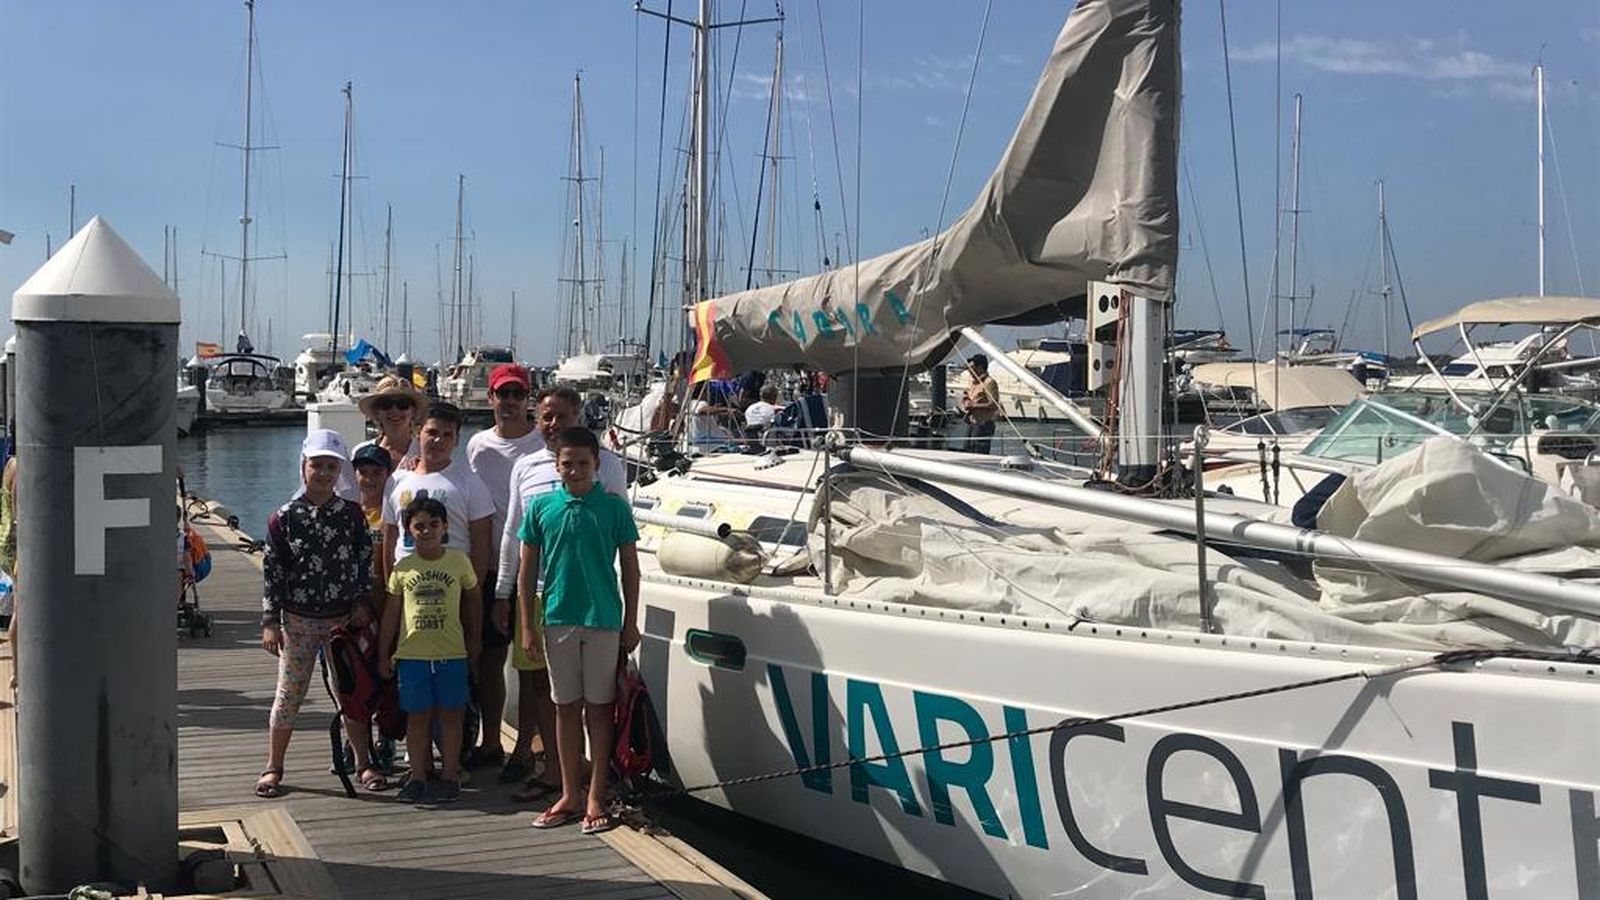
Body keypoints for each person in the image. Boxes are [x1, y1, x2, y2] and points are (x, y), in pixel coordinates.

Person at [496, 384, 627, 801]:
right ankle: (555, 772)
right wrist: (503, 592)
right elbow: (514, 538)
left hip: (593, 600)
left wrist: (625, 611)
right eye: (546, 417)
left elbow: (619, 537)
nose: (554, 425)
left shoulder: (607, 466)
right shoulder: (526, 466)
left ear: (578, 419)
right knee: (542, 689)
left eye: (563, 417)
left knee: (593, 700)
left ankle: (588, 779)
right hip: (538, 597)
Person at [517, 427, 640, 834]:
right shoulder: (540, 508)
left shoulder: (614, 508)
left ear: (596, 464)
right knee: (564, 706)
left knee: (599, 709)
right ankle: (570, 793)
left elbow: (631, 571)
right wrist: (528, 627)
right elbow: (526, 572)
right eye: (567, 463)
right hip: (556, 617)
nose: (574, 470)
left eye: (582, 463)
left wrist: (631, 623)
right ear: (556, 465)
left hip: (603, 619)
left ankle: (596, 794)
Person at [257, 430, 381, 797]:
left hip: (342, 620)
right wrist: (269, 621)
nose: (324, 474)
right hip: (297, 621)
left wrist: (361, 602)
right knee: (290, 693)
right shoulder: (283, 518)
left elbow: (363, 563)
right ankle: (273, 765)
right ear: (303, 467)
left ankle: (363, 762)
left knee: (351, 691)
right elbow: (273, 572)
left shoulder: (352, 515)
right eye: (317, 466)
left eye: (331, 466)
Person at [463, 364, 544, 777]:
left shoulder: (542, 442)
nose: (510, 402)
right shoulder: (477, 446)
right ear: (490, 398)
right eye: (503, 394)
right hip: (492, 569)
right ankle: (492, 741)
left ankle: (527, 748)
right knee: (490, 662)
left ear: (527, 398)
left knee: (530, 665)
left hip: (535, 575)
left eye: (518, 394)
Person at [379, 496, 481, 804]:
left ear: (445, 526)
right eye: (419, 526)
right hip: (412, 655)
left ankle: (450, 774)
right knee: (417, 718)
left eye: (433, 525)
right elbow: (391, 614)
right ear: (408, 530)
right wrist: (384, 652)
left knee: (452, 715)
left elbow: (473, 599)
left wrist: (475, 640)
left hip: (451, 652)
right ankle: (419, 775)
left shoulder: (459, 561)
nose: (427, 531)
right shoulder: (403, 567)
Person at [357, 374, 427, 473]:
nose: (394, 410)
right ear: (377, 412)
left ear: (413, 411)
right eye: (386, 404)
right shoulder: (361, 452)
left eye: (402, 404)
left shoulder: (425, 453)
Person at [958, 354, 1000, 455]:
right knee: (968, 450)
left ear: (980, 367)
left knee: (979, 452)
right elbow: (969, 395)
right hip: (971, 423)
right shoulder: (974, 382)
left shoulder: (989, 383)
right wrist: (965, 400)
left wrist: (973, 406)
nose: (969, 371)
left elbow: (993, 404)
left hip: (983, 425)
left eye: (972, 368)